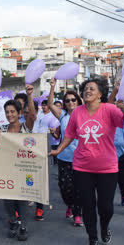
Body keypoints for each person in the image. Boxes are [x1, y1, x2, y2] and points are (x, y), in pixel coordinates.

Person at [50, 78, 124, 245]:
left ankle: (104, 227)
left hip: (107, 167)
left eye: (92, 89)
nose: (88, 91)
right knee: (87, 205)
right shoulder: (77, 112)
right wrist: (58, 150)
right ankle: (92, 238)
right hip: (82, 167)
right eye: (85, 88)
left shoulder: (109, 110)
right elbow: (69, 135)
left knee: (106, 207)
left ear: (100, 94)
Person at [0, 86, 36, 241]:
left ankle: (23, 225)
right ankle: (13, 221)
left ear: (19, 113)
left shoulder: (26, 127)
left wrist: (29, 96)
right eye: (7, 112)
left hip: (25, 169)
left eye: (12, 112)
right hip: (7, 169)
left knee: (23, 199)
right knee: (8, 199)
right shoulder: (1, 129)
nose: (9, 114)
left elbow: (32, 114)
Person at [47, 79, 84, 226]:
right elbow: (50, 104)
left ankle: (77, 214)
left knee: (78, 188)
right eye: (67, 100)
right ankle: (69, 205)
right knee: (65, 188)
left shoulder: (85, 114)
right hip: (64, 157)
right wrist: (52, 87)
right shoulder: (62, 116)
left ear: (78, 101)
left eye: (73, 100)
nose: (70, 102)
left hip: (81, 158)